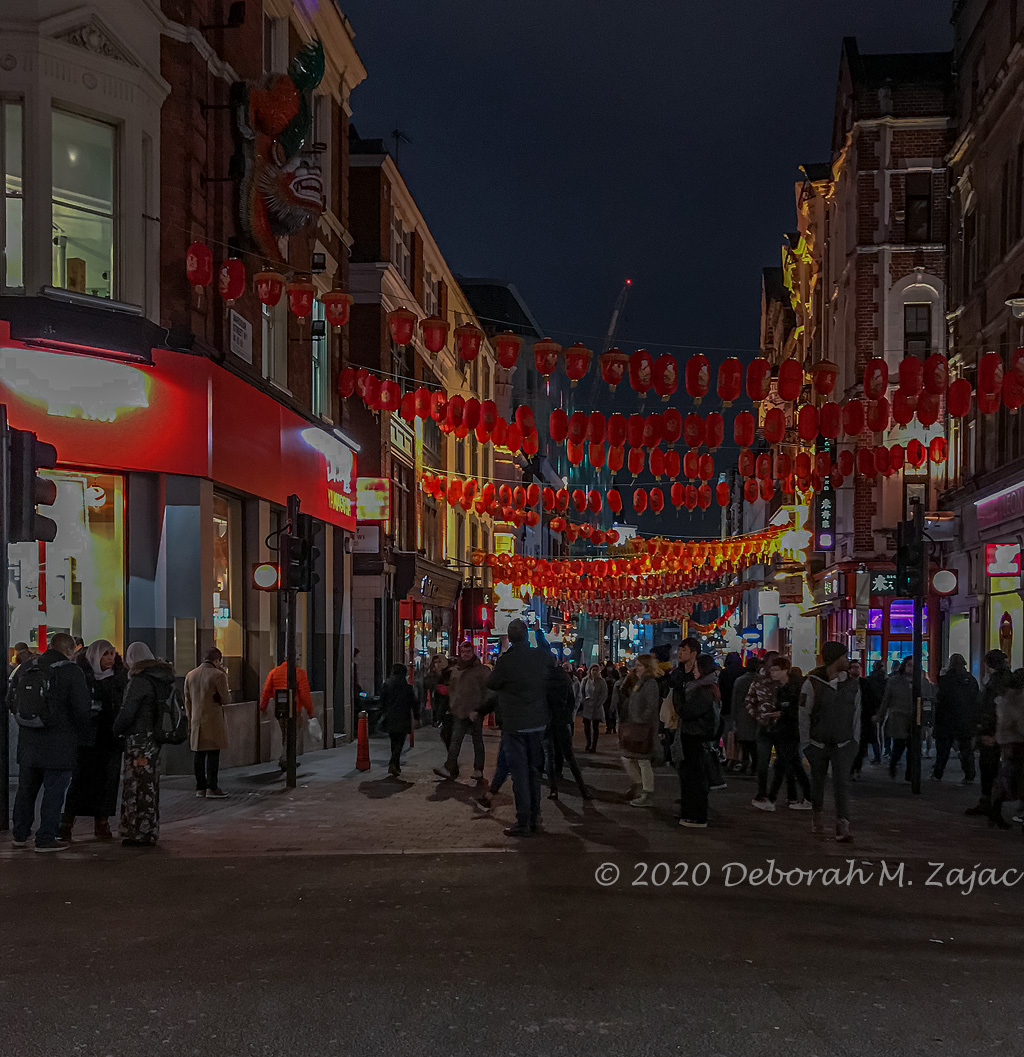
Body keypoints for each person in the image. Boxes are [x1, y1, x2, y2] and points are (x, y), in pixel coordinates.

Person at [9, 632, 92, 852]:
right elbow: (82, 709)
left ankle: (19, 834)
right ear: (69, 650)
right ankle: (45, 839)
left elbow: (11, 700)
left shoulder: (27, 667)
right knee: (54, 792)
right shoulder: (72, 672)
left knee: (26, 790)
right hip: (60, 744)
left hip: (28, 742)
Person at [485, 618, 551, 837]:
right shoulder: (538, 656)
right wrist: (540, 636)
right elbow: (550, 658)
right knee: (534, 772)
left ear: (510, 638)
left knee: (520, 774)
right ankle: (536, 815)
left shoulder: (506, 661)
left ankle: (523, 821)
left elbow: (491, 683)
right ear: (526, 636)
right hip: (537, 722)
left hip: (515, 725)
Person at [60, 639, 129, 841]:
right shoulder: (82, 676)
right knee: (80, 780)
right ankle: (67, 823)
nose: (109, 658)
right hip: (86, 739)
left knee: (107, 782)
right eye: (105, 654)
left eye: (112, 653)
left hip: (110, 739)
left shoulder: (119, 678)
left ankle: (102, 822)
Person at [113, 642, 176, 847]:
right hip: (153, 738)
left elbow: (128, 711)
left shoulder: (139, 681)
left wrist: (116, 728)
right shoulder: (161, 678)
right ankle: (148, 828)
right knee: (149, 784)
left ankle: (138, 831)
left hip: (138, 739)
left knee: (137, 784)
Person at [799, 641, 860, 842]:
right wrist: (806, 743)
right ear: (835, 658)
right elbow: (804, 714)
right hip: (818, 743)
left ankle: (843, 826)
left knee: (842, 783)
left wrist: (854, 741)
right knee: (818, 782)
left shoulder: (852, 684)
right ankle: (817, 818)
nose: (847, 660)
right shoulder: (813, 683)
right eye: (844, 656)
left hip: (844, 743)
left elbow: (857, 714)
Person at [673, 653, 718, 828]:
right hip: (693, 735)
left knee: (695, 778)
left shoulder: (704, 690)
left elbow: (686, 711)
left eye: (697, 668)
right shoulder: (699, 687)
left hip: (696, 736)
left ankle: (697, 816)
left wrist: (677, 694)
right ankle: (690, 811)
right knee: (690, 776)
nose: (694, 671)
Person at [966, 649, 1013, 817]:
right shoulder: (1004, 680)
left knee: (990, 769)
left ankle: (990, 803)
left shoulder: (997, 683)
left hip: (993, 733)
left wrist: (990, 733)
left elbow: (994, 709)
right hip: (999, 732)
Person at [433, 640, 489, 781]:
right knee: (455, 741)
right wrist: (453, 705)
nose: (465, 655)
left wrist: (480, 709)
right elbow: (453, 689)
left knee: (477, 741)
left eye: (468, 652)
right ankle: (449, 766)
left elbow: (487, 691)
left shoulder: (481, 671)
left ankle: (478, 769)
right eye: (463, 652)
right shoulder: (456, 670)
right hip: (459, 711)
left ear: (473, 652)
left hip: (475, 711)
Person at [184, 647, 231, 799]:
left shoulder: (190, 675)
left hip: (196, 720)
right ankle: (212, 787)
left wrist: (190, 719)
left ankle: (200, 788)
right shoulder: (218, 675)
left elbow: (187, 701)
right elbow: (226, 699)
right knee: (213, 755)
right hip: (213, 720)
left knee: (198, 755)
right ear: (217, 660)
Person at [748, 656, 792, 810]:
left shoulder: (789, 685)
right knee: (762, 762)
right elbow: (749, 700)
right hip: (765, 726)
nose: (772, 672)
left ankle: (772, 795)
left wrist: (784, 713)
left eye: (775, 669)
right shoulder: (760, 682)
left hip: (783, 728)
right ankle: (762, 793)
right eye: (771, 668)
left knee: (781, 762)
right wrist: (758, 715)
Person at [619, 654, 662, 807]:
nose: (635, 668)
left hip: (644, 728)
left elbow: (651, 707)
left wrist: (641, 720)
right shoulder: (640, 682)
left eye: (639, 665)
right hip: (637, 725)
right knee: (630, 758)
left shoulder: (649, 683)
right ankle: (639, 785)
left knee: (643, 761)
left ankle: (647, 791)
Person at [258, 659, 315, 771]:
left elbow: (266, 690)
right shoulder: (299, 673)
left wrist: (263, 706)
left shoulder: (274, 672)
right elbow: (304, 694)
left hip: (279, 709)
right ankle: (286, 759)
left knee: (285, 733)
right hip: (295, 709)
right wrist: (310, 711)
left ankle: (286, 758)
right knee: (292, 734)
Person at [932, 654, 978, 782]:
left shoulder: (945, 680)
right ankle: (969, 775)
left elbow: (940, 700)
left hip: (946, 720)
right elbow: (975, 700)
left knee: (943, 750)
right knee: (966, 750)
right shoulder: (971, 680)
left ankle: (938, 773)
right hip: (965, 720)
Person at [989, 669, 1024, 829]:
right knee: (1010, 777)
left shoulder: (1005, 698)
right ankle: (995, 811)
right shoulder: (1014, 699)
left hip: (1010, 743)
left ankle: (995, 811)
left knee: (1008, 777)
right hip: (1015, 743)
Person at [878, 658, 915, 781]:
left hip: (914, 719)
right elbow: (886, 699)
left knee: (913, 748)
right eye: (909, 665)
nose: (911, 668)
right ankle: (893, 764)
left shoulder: (921, 681)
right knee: (898, 745)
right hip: (899, 717)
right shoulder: (894, 681)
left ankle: (910, 773)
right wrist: (881, 715)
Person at [380, 663, 419, 777]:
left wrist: (384, 713)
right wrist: (417, 717)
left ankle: (395, 765)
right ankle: (393, 763)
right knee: (400, 742)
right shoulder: (407, 688)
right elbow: (414, 703)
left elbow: (381, 702)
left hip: (390, 717)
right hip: (403, 717)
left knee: (393, 741)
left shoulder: (387, 685)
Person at [852, 660, 884, 776]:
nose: (856, 669)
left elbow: (871, 699)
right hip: (852, 718)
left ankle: (857, 767)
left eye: (857, 667)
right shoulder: (846, 684)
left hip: (864, 718)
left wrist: (873, 714)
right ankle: (854, 768)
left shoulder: (865, 683)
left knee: (862, 744)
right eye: (853, 667)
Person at [731, 657, 762, 775]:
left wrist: (734, 717)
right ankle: (755, 766)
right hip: (757, 714)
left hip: (743, 714)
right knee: (755, 743)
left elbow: (735, 700)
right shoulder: (761, 680)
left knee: (744, 743)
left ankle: (745, 763)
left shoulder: (740, 680)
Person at [424, 654, 453, 749]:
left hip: (449, 706)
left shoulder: (449, 674)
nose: (437, 665)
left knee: (448, 733)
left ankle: (452, 757)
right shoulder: (432, 675)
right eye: (435, 662)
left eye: (439, 662)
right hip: (438, 705)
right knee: (445, 733)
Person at [580, 664, 608, 752]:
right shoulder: (585, 680)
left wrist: (599, 703)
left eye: (596, 670)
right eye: (593, 670)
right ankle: (588, 743)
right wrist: (584, 701)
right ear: (590, 671)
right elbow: (581, 692)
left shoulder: (601, 681)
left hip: (597, 706)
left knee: (595, 727)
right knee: (587, 726)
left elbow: (604, 694)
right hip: (587, 705)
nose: (595, 672)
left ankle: (594, 746)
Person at [602, 662, 620, 733]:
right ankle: (608, 727)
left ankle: (614, 727)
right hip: (606, 693)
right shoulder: (604, 673)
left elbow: (618, 680)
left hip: (613, 693)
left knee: (613, 711)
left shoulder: (615, 673)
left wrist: (614, 681)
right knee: (607, 711)